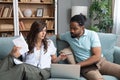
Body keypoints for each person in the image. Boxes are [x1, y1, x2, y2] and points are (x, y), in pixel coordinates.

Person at [58, 13, 120, 80]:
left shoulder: (92, 34)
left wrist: (77, 65)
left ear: (82, 28)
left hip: (100, 62)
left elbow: (97, 56)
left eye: (75, 29)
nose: (72, 31)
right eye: (70, 28)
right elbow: (57, 36)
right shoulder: (68, 35)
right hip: (86, 67)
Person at [0, 21, 67, 80]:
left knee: (22, 67)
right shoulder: (27, 43)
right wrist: (12, 54)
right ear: (35, 31)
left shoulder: (49, 43)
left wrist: (60, 58)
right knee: (10, 58)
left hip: (43, 71)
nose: (44, 33)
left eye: (45, 30)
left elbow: (54, 59)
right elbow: (16, 58)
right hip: (29, 70)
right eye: (41, 31)